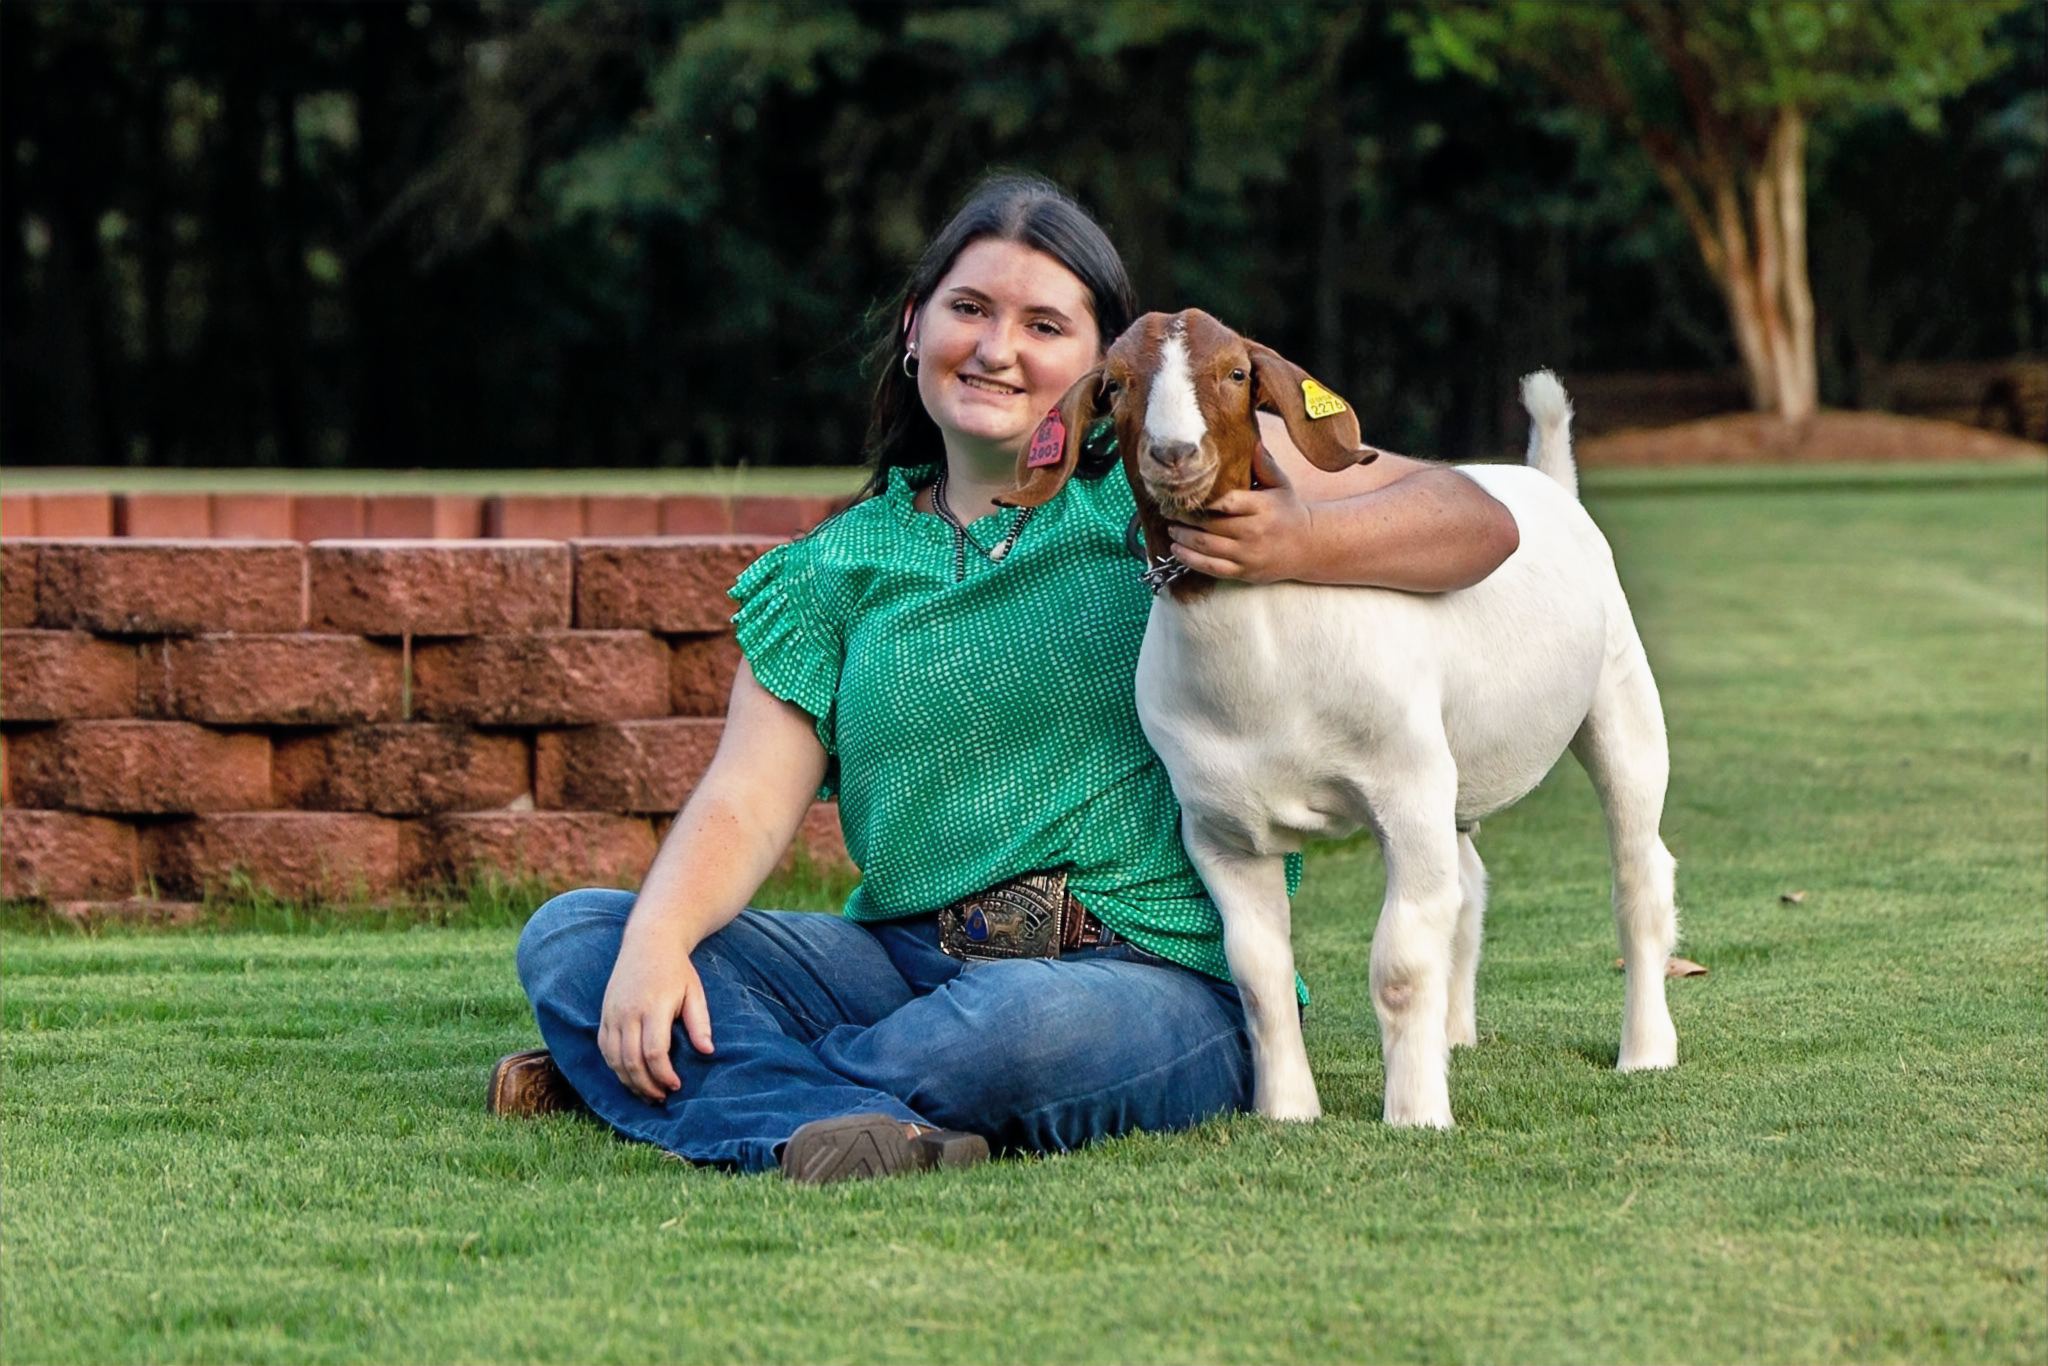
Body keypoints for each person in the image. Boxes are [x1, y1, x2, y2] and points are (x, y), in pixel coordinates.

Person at [498, 174, 1520, 1182]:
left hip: (1143, 979)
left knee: (1007, 1033)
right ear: (913, 327)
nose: (995, 349)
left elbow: (1475, 522)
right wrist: (656, 946)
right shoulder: (831, 571)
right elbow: (742, 801)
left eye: (1042, 324)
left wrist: (1292, 539)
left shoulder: (1178, 488)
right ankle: (810, 1103)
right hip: (895, 964)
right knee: (581, 936)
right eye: (969, 309)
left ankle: (677, 1076)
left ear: (1106, 368)